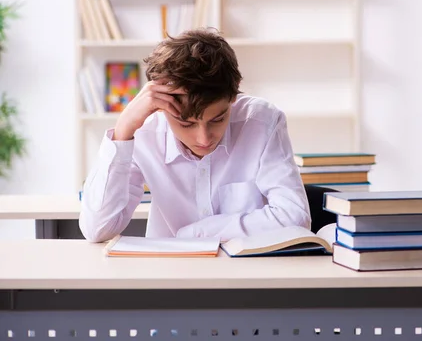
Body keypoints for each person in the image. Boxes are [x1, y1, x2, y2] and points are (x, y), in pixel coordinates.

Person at [79, 28, 311, 242]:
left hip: (246, 276)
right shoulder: (144, 131)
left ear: (234, 95)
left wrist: (194, 233)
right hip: (171, 276)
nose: (204, 139)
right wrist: (122, 132)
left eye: (217, 119)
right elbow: (97, 229)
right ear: (162, 107)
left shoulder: (262, 122)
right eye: (185, 123)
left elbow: (296, 218)